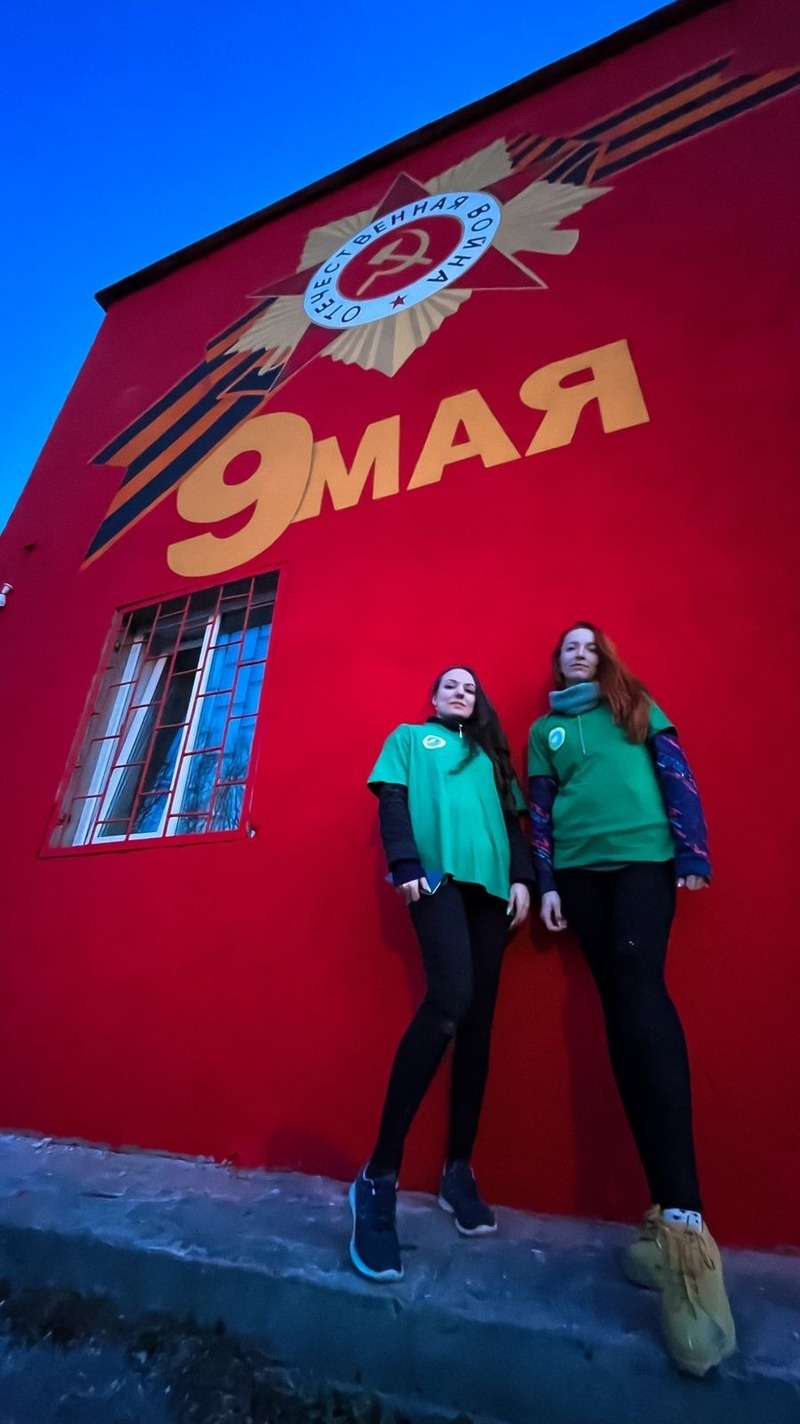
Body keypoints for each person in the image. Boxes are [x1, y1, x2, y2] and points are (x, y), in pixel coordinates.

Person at [527, 622, 736, 1377]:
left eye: (589, 645)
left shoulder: (633, 702)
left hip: (644, 857)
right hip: (580, 873)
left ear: (605, 657)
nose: (579, 653)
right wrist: (547, 883)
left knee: (640, 988)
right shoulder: (545, 731)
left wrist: (694, 848)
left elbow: (674, 769)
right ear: (559, 664)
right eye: (569, 648)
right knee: (618, 1009)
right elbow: (540, 813)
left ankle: (687, 1234)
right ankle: (658, 1217)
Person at [350, 666, 533, 1282]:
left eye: (470, 687)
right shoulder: (409, 738)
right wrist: (404, 860)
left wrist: (523, 879)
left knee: (478, 1023)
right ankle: (378, 1176)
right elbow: (392, 800)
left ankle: (458, 1171)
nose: (461, 692)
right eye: (451, 685)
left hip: (493, 890)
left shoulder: (489, 757)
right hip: (436, 879)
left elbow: (513, 823)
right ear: (433, 697)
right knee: (451, 997)